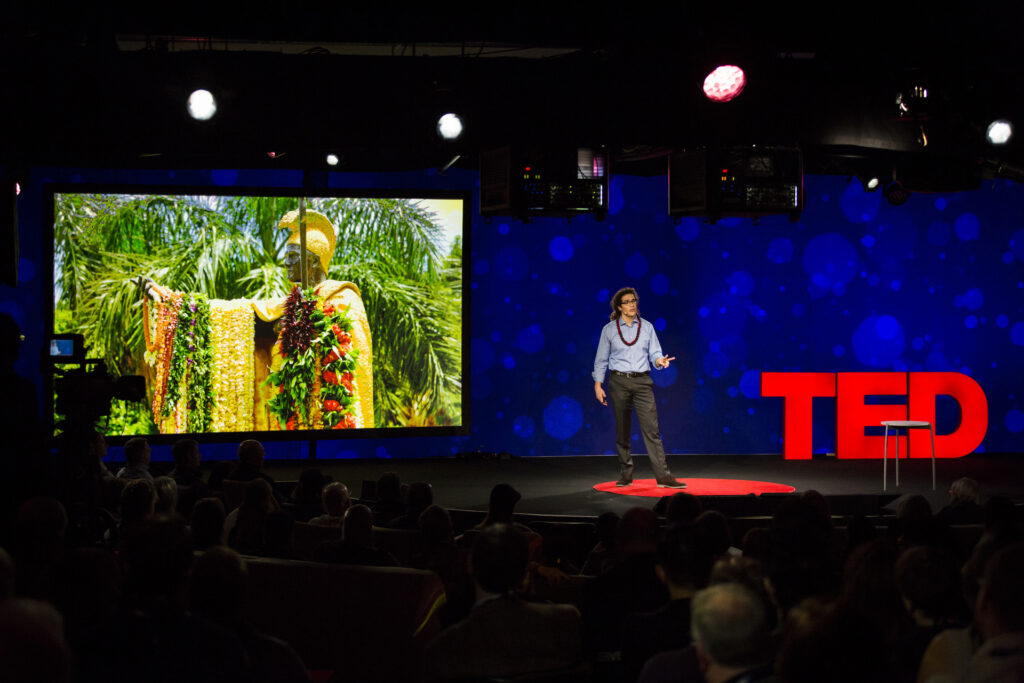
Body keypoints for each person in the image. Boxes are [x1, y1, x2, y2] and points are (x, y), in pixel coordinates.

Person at [141, 209, 373, 432]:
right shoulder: (288, 305)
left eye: (292, 256)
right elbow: (237, 313)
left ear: (313, 262)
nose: (286, 263)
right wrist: (170, 302)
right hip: (293, 421)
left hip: (330, 419)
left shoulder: (342, 297)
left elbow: (349, 359)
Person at [593, 287, 683, 488]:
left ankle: (663, 476)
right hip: (619, 382)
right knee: (622, 430)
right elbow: (601, 360)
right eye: (627, 301)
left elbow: (655, 354)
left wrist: (660, 361)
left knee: (652, 429)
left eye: (634, 300)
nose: (632, 304)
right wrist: (598, 385)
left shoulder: (647, 327)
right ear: (619, 306)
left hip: (643, 382)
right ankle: (626, 473)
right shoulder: (609, 330)